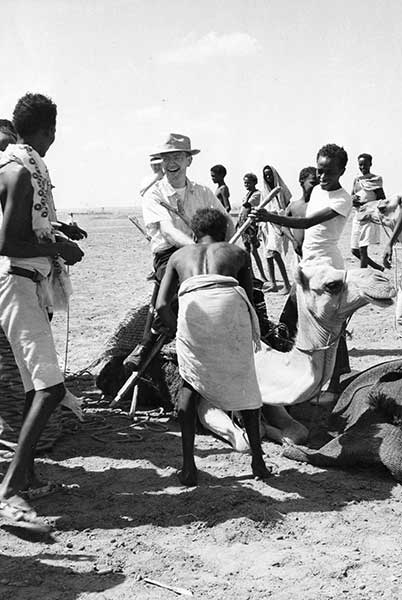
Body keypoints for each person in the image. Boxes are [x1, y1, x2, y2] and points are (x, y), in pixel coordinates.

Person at [0, 93, 84, 530]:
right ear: (48, 131)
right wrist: (59, 246)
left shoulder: (9, 165)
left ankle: (27, 477)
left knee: (33, 385)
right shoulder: (21, 171)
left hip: (18, 282)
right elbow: (9, 243)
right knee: (50, 388)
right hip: (16, 281)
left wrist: (55, 235)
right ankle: (6, 492)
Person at [156, 208, 270, 486]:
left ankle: (187, 467)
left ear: (194, 234)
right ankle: (258, 461)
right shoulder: (237, 253)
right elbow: (248, 296)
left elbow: (160, 305)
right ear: (226, 233)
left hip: (194, 313)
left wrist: (176, 330)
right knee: (244, 381)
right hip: (229, 307)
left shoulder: (178, 256)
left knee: (189, 385)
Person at [124, 133, 234, 370]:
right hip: (171, 254)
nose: (171, 163)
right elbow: (168, 231)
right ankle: (152, 336)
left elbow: (226, 222)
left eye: (177, 157)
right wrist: (198, 251)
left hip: (206, 251)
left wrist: (229, 247)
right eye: (166, 158)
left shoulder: (204, 192)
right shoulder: (154, 194)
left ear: (188, 161)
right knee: (181, 283)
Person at [253, 144, 352, 396]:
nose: (322, 177)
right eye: (319, 170)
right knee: (288, 321)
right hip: (307, 267)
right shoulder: (318, 190)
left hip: (327, 269)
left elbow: (308, 222)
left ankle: (338, 385)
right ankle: (291, 377)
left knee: (330, 326)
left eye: (329, 172)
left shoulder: (342, 198)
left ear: (342, 170)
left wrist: (270, 217)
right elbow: (305, 227)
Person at [350, 153, 385, 270]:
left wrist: (368, 205)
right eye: (360, 165)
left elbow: (382, 199)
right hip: (357, 215)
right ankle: (378, 268)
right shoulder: (357, 180)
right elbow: (352, 196)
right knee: (354, 250)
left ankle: (362, 275)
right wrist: (353, 201)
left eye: (365, 165)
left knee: (362, 249)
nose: (362, 167)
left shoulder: (376, 180)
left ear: (370, 164)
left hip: (369, 216)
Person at [261, 165, 292, 293]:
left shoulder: (282, 190)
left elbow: (288, 208)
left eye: (270, 175)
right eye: (266, 176)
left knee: (275, 253)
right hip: (268, 225)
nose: (268, 178)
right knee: (268, 254)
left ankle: (286, 283)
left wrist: (278, 214)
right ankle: (273, 283)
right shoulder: (265, 192)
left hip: (279, 223)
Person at [237, 172, 267, 281]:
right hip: (244, 224)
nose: (246, 184)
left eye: (248, 182)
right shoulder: (248, 194)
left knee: (254, 250)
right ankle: (252, 275)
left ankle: (262, 276)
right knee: (247, 250)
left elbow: (247, 206)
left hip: (251, 225)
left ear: (254, 182)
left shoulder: (256, 194)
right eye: (245, 183)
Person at [284, 166, 319, 258]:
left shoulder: (320, 205)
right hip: (299, 254)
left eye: (318, 184)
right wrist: (293, 241)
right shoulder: (293, 206)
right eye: (313, 183)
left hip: (316, 254)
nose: (316, 187)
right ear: (301, 182)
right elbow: (284, 226)